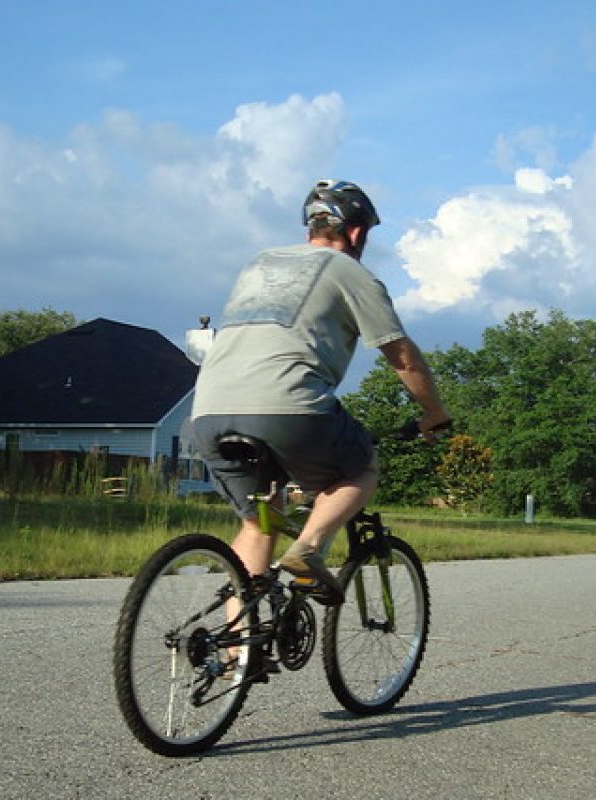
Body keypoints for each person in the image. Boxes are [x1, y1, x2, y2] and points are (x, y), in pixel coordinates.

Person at [191, 179, 451, 604]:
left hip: (208, 408)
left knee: (260, 523)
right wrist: (433, 412)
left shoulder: (259, 264)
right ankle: (308, 552)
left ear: (310, 227)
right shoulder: (351, 272)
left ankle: (237, 654)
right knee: (360, 468)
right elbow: (401, 354)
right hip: (289, 406)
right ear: (356, 231)